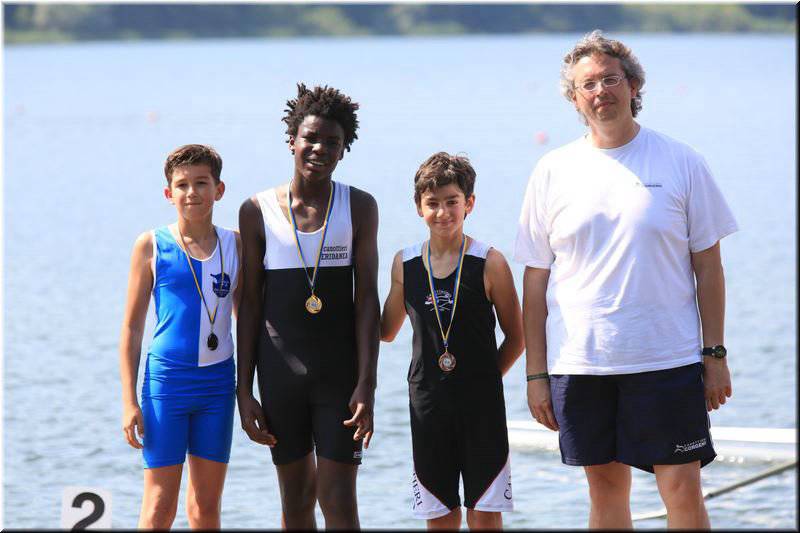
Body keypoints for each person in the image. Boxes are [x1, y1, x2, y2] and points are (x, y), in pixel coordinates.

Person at [513, 30, 738, 529]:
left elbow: (709, 267)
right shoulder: (552, 170)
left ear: (633, 85)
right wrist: (536, 374)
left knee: (682, 490)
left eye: (610, 79)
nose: (600, 92)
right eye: (587, 84)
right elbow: (535, 282)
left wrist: (715, 354)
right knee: (606, 492)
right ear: (574, 98)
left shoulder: (681, 160)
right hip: (582, 360)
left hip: (667, 358)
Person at [236, 83, 380, 530]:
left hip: (339, 377)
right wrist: (244, 390)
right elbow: (250, 303)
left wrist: (367, 384)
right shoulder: (256, 210)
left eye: (332, 143)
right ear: (292, 140)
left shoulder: (359, 206)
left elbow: (366, 301)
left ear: (344, 150)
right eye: (311, 139)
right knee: (296, 502)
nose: (319, 149)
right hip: (279, 376)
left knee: (338, 500)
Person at [381, 152, 524, 530]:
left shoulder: (489, 262)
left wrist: (487, 378)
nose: (442, 212)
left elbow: (517, 336)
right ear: (418, 208)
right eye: (432, 204)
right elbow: (386, 330)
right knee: (439, 514)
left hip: (481, 409)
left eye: (452, 202)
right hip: (428, 407)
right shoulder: (405, 264)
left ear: (469, 204)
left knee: (484, 514)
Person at [119, 144, 241, 529]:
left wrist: (251, 388)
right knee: (158, 506)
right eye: (183, 185)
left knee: (205, 507)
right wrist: (128, 401)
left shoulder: (236, 244)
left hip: (218, 386)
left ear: (219, 189)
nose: (192, 193)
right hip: (166, 385)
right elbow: (131, 328)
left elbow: (249, 317)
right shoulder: (151, 244)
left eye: (201, 183)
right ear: (169, 193)